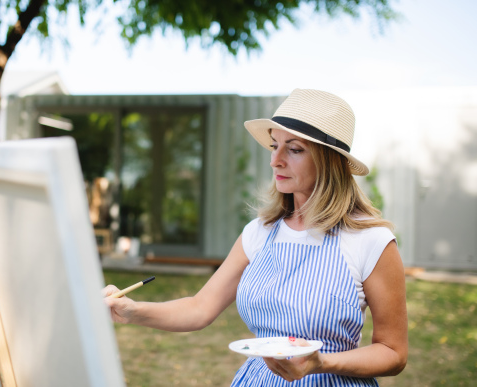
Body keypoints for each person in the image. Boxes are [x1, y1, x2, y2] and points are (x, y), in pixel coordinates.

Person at [103, 88, 408, 386]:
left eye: (295, 149)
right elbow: (199, 308)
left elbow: (393, 353)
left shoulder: (370, 240)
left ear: (330, 161)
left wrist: (320, 363)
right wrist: (133, 311)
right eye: (275, 146)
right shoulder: (259, 232)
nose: (276, 160)